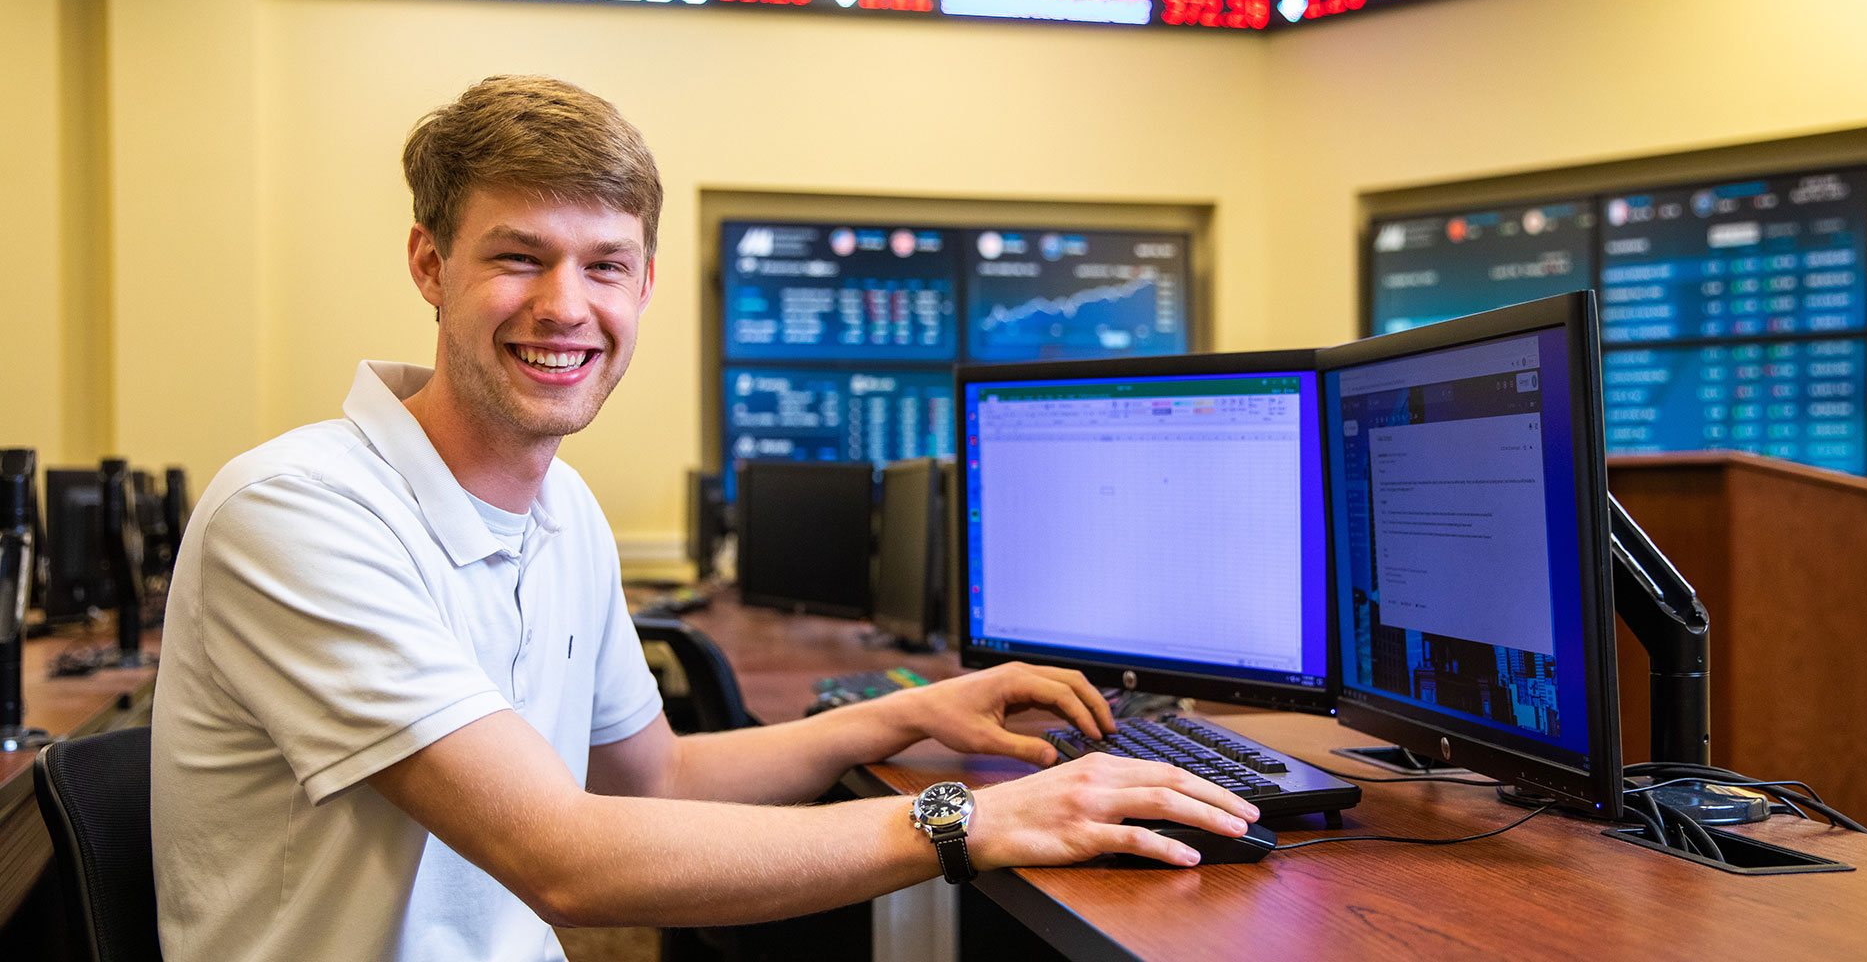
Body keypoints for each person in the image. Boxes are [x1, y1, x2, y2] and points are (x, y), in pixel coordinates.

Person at [150, 75, 1258, 961]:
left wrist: (912, 715)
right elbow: (565, 861)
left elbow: (659, 781)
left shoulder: (560, 509)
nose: (565, 307)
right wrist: (969, 821)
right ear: (429, 264)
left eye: (605, 266)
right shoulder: (299, 511)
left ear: (643, 287)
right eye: (517, 257)